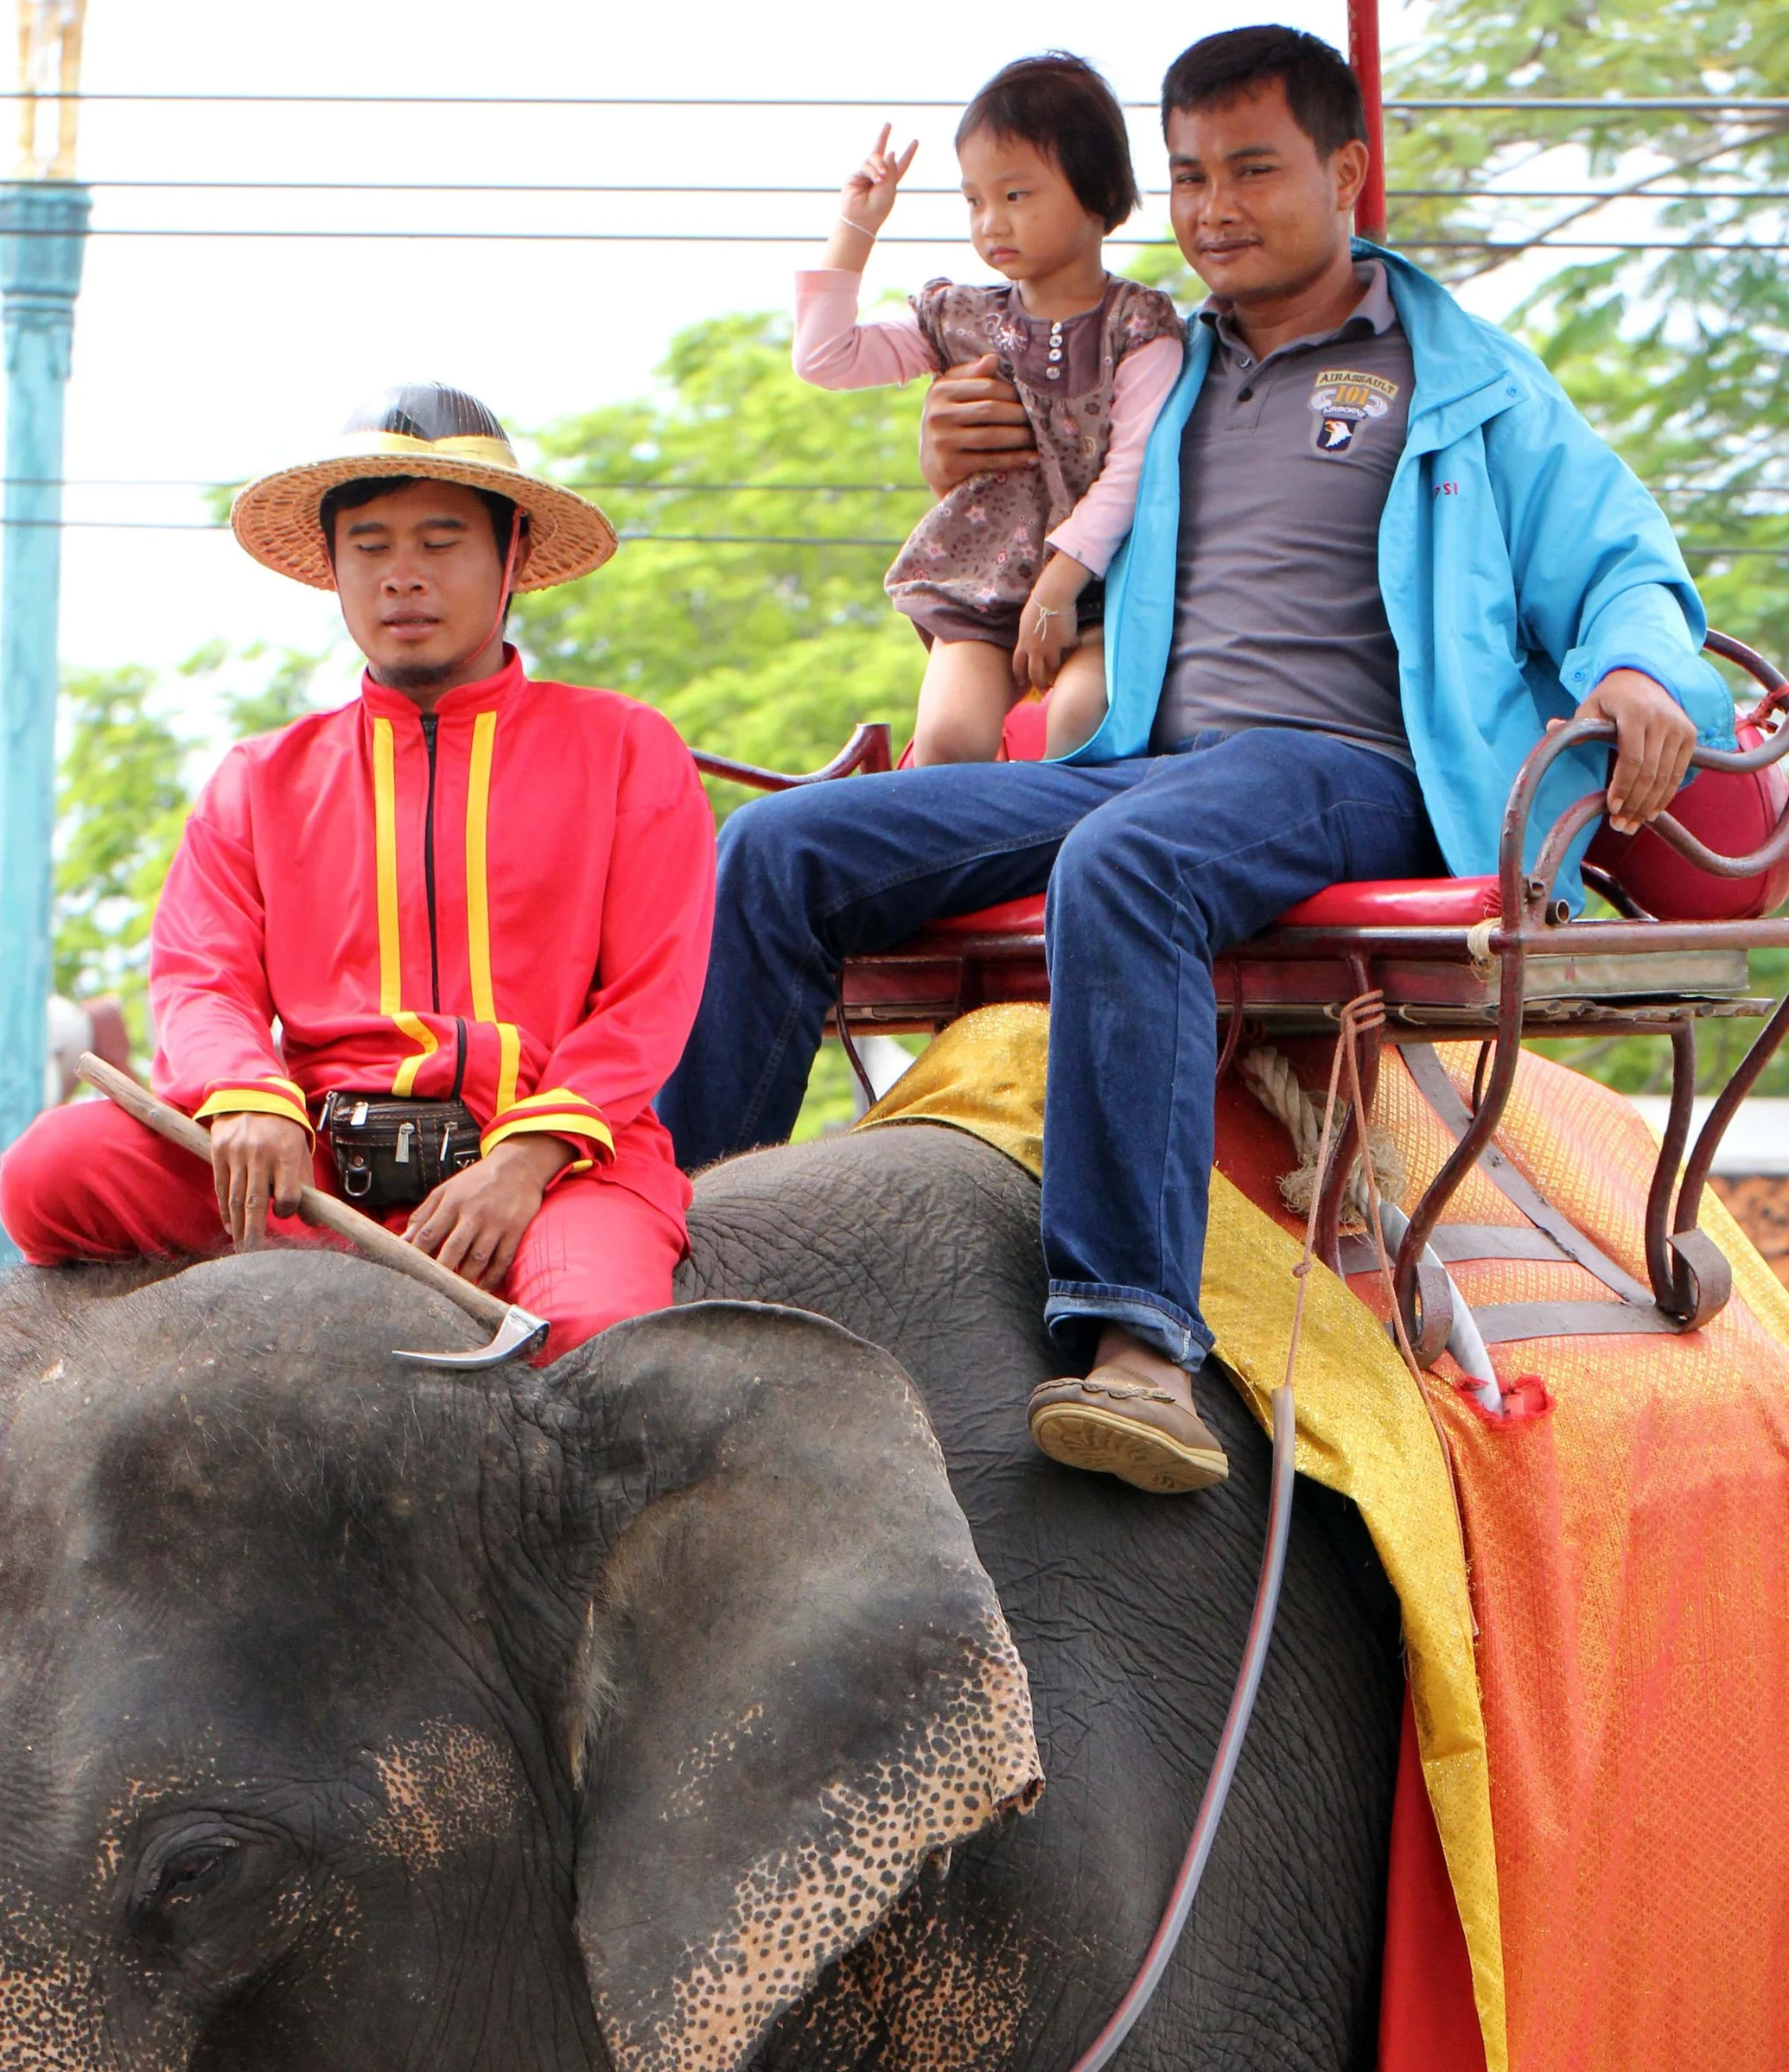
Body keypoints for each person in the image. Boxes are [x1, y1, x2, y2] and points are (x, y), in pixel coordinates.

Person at [660, 23, 1726, 1492]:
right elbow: (1020, 450)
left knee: (1132, 860)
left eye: (1253, 169)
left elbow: (1619, 559)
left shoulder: (1463, 379)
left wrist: (1632, 670)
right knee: (776, 852)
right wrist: (952, 438)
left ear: (1348, 172)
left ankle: (1137, 1340)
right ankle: (670, 1240)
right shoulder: (1149, 363)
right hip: (1149, 758)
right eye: (1188, 175)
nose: (1214, 205)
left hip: (1358, 772)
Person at [0, 385, 716, 1361]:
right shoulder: (260, 778)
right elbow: (201, 976)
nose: (401, 577)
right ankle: (327, 1254)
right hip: (321, 1167)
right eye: (370, 547)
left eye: (439, 541)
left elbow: (649, 1000)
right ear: (333, 571)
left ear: (511, 558)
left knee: (594, 1338)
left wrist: (521, 1161)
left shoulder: (627, 746)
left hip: (553, 1166)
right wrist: (249, 1094)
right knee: (49, 1169)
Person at [796, 57, 1183, 763]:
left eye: (1015, 194)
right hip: (982, 585)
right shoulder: (963, 318)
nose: (990, 222)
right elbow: (826, 358)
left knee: (1079, 719)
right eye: (974, 200)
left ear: (1097, 194)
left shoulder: (1140, 328)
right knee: (948, 739)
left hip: (1101, 593)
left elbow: (1133, 471)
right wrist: (857, 227)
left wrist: (1059, 587)